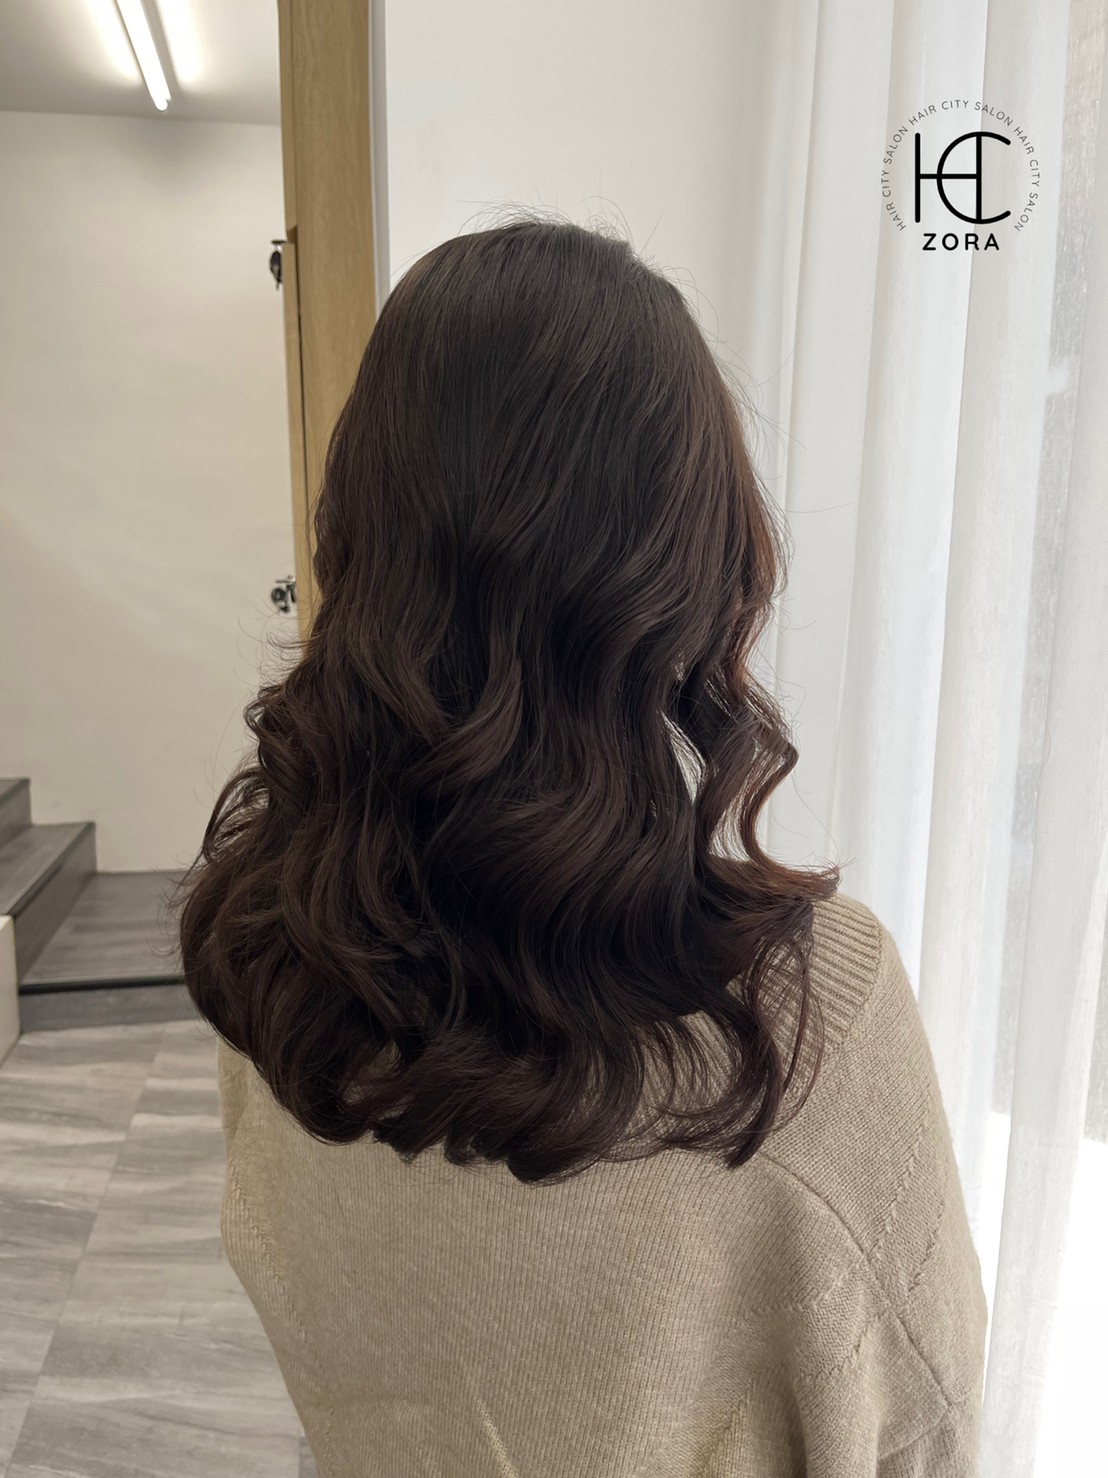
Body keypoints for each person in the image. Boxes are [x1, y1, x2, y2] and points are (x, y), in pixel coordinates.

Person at [172, 214, 988, 1476]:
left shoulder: (267, 956)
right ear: (691, 568)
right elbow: (929, 1430)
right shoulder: (803, 1014)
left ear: (365, 532)